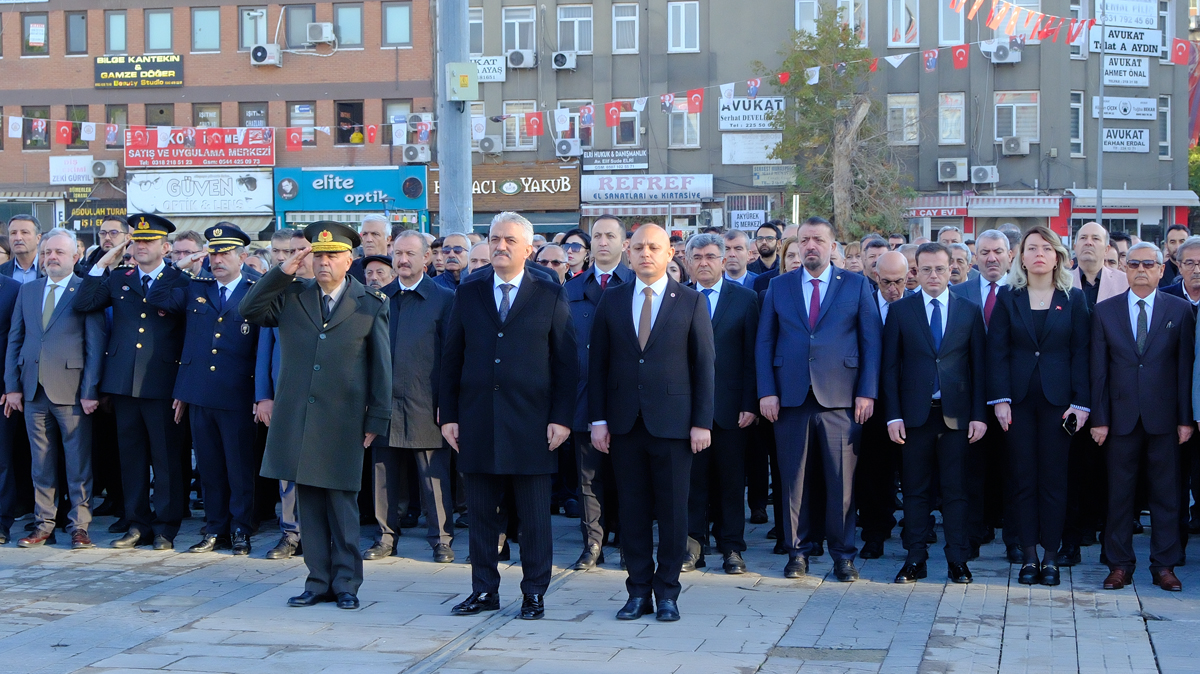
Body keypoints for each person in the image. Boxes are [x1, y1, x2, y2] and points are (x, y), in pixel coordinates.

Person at [240, 221, 391, 610]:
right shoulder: (293, 296)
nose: (324, 263)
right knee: (308, 505)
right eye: (318, 255)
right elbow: (250, 308)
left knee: (342, 506)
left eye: (332, 256)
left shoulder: (370, 303)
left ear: (349, 260)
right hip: (301, 420)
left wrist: (377, 419)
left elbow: (381, 368)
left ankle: (346, 584)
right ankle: (317, 580)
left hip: (345, 421)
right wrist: (284, 269)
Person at [441, 212, 577, 621]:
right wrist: (449, 414)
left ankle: (534, 592)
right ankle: (484, 590)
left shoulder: (548, 292)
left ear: (528, 248)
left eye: (510, 240)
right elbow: (451, 357)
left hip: (533, 422)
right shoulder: (470, 290)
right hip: (478, 420)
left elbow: (566, 362)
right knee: (481, 515)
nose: (500, 246)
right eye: (494, 238)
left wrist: (562, 417)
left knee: (535, 517)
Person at [589, 223, 714, 622]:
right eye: (639, 247)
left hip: (675, 426)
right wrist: (598, 420)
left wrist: (702, 422)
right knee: (633, 512)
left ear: (669, 253)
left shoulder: (691, 301)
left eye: (654, 247)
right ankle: (638, 591)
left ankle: (668, 593)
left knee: (675, 513)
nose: (646, 253)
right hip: (624, 425)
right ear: (629, 252)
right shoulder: (612, 300)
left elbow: (704, 365)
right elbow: (598, 367)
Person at [757, 217, 882, 582]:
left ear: (832, 246)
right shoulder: (779, 287)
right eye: (805, 240)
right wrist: (767, 391)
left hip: (841, 398)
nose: (811, 246)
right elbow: (765, 342)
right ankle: (797, 552)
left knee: (841, 482)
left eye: (818, 240)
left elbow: (871, 342)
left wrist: (867, 391)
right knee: (793, 479)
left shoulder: (856, 286)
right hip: (791, 397)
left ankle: (843, 555)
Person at [75, 214, 191, 550]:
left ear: (165, 247)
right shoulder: (120, 277)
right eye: (136, 241)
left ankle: (166, 528)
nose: (140, 247)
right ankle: (137, 523)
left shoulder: (179, 279)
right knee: (132, 458)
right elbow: (85, 302)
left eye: (148, 242)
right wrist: (106, 260)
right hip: (124, 384)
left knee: (166, 460)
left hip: (162, 383)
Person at [147, 226, 262, 556]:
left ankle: (241, 528)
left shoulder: (254, 290)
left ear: (243, 257)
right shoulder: (197, 288)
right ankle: (215, 529)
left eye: (226, 253)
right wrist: (179, 265)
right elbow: (156, 296)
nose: (218, 259)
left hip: (239, 394)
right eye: (213, 253)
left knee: (239, 469)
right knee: (209, 467)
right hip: (200, 393)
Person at [987, 227, 1090, 586]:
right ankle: (1028, 557)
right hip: (1016, 404)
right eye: (1032, 248)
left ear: (1058, 255)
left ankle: (1051, 557)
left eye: (1046, 248)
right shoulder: (1008, 297)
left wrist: (1081, 403)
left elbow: (1081, 353)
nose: (1039, 254)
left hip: (1060, 406)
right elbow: (996, 352)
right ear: (1022, 257)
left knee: (1054, 481)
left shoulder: (1074, 299)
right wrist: (999, 400)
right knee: (1023, 480)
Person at [883, 242, 987, 585]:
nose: (933, 275)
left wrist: (978, 415)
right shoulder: (901, 311)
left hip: (956, 417)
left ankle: (958, 559)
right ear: (915, 271)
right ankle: (915, 559)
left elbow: (977, 367)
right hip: (914, 418)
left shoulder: (969, 311)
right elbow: (890, 368)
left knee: (956, 492)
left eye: (940, 269)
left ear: (951, 270)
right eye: (926, 269)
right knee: (915, 491)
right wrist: (893, 415)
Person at [1093, 242, 1194, 592]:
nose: (1140, 270)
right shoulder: (1105, 311)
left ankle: (1164, 565)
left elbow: (1185, 369)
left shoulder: (1180, 311)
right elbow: (1099, 371)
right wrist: (1100, 419)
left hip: (1165, 419)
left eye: (1148, 264)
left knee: (1166, 495)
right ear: (1124, 268)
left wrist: (1186, 419)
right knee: (1119, 495)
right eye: (1133, 263)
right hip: (1119, 419)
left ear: (1161, 269)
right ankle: (1119, 564)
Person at [6, 229, 105, 549]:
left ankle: (80, 526)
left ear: (75, 257)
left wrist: (90, 390)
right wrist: (12, 386)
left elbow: (94, 344)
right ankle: (43, 524)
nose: (51, 258)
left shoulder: (84, 290)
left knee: (77, 463)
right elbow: (15, 340)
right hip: (33, 390)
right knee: (41, 463)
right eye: (48, 252)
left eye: (59, 253)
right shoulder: (29, 290)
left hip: (72, 391)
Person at [362, 231, 456, 564]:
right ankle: (385, 536)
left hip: (426, 402)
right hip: (385, 402)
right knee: (384, 476)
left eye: (410, 254)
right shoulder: (377, 298)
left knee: (434, 477)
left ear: (426, 258)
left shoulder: (444, 298)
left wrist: (448, 402)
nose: (403, 260)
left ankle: (442, 539)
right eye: (398, 253)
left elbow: (452, 355)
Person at [682, 233, 758, 575]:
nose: (704, 262)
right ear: (687, 261)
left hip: (731, 410)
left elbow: (752, 356)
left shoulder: (745, 299)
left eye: (711, 256)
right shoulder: (677, 298)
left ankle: (732, 549)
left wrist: (750, 403)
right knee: (691, 484)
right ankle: (692, 547)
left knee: (730, 484)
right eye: (696, 257)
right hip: (687, 410)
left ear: (723, 259)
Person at [564, 214, 632, 571]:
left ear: (624, 243)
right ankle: (593, 543)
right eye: (597, 236)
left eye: (610, 236)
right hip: (584, 395)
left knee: (627, 473)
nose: (603, 242)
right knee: (588, 476)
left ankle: (626, 537)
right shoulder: (572, 289)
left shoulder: (638, 284)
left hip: (628, 397)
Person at [949, 229, 1018, 562]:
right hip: (969, 398)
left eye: (998, 252)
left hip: (1013, 397)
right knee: (971, 473)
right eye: (985, 252)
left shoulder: (1023, 292)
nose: (992, 258)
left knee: (1014, 469)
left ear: (1010, 255)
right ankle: (972, 536)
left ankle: (1016, 539)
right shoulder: (958, 293)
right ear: (975, 257)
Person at [856, 251, 912, 559]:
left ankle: (915, 529)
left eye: (900, 282)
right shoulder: (863, 305)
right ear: (876, 278)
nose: (893, 289)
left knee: (912, 471)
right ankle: (874, 533)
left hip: (909, 401)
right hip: (873, 401)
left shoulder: (915, 305)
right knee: (874, 471)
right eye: (887, 282)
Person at [348, 214, 391, 283]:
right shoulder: (349, 270)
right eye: (365, 234)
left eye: (375, 234)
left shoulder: (397, 268)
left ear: (388, 239)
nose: (369, 239)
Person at [1, 215, 43, 283]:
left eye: (24, 232)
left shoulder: (49, 269)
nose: (18, 238)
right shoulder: (2, 271)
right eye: (13, 233)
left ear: (38, 238)